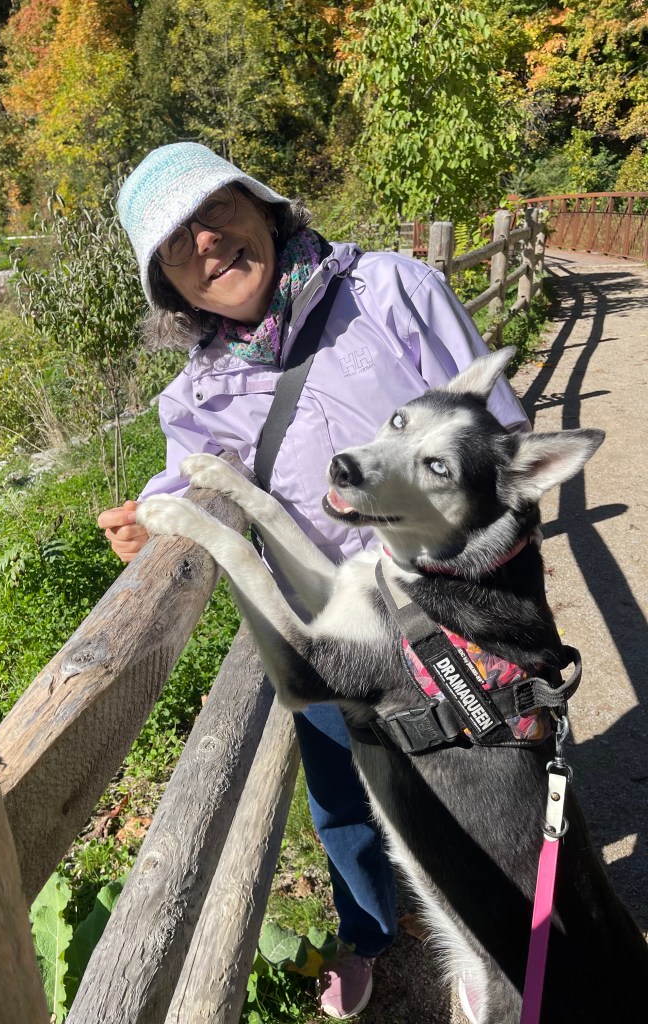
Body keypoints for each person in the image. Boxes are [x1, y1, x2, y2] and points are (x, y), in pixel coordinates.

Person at [97, 142, 528, 1020]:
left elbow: (503, 441)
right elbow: (183, 479)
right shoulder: (197, 394)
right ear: (169, 289)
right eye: (178, 245)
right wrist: (145, 520)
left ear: (262, 205)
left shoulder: (392, 292)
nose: (208, 243)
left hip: (462, 612)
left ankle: (490, 936)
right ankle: (368, 933)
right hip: (336, 634)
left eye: (216, 211)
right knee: (346, 801)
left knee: (492, 782)